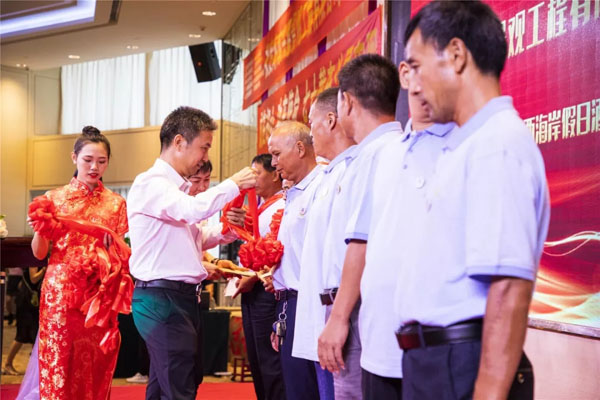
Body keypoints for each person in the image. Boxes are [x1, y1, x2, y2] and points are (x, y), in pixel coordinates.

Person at [394, 2, 550, 399]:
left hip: (460, 363)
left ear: (457, 55)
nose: (414, 84)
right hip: (437, 362)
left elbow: (508, 287)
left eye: (417, 65)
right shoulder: (468, 145)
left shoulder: (496, 144)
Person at [127, 106, 256, 400]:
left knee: (167, 385)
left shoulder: (175, 190)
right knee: (179, 388)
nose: (205, 157)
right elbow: (192, 210)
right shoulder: (151, 183)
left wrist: (228, 229)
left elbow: (196, 238)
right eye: (204, 147)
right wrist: (234, 184)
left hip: (177, 298)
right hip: (163, 298)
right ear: (179, 142)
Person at [29, 126, 131, 400]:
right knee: (59, 362)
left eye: (101, 161)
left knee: (95, 364)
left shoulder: (116, 204)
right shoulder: (53, 199)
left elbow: (121, 255)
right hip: (60, 295)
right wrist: (40, 228)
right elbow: (39, 254)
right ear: (74, 157)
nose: (94, 167)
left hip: (98, 295)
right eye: (88, 160)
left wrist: (111, 252)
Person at [292, 87, 358, 399]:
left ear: (331, 120)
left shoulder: (352, 171)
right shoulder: (327, 176)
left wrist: (337, 318)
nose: (310, 132)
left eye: (311, 122)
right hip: (319, 318)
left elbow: (352, 253)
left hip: (339, 317)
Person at [267, 120, 322, 400]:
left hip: (311, 302)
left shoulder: (321, 187)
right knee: (296, 389)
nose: (273, 163)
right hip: (288, 303)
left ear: (300, 149)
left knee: (313, 389)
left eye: (277, 154)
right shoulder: (294, 192)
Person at [232, 153, 286, 400]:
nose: (253, 180)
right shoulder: (259, 207)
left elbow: (278, 252)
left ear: (275, 174)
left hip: (266, 289)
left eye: (257, 173)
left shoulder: (281, 205)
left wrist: (253, 276)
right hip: (251, 289)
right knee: (256, 359)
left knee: (269, 359)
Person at [2, 266, 46, 376]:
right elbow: (33, 279)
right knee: (21, 336)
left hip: (32, 304)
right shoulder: (34, 262)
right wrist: (44, 270)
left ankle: (35, 368)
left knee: (34, 336)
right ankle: (8, 364)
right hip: (26, 304)